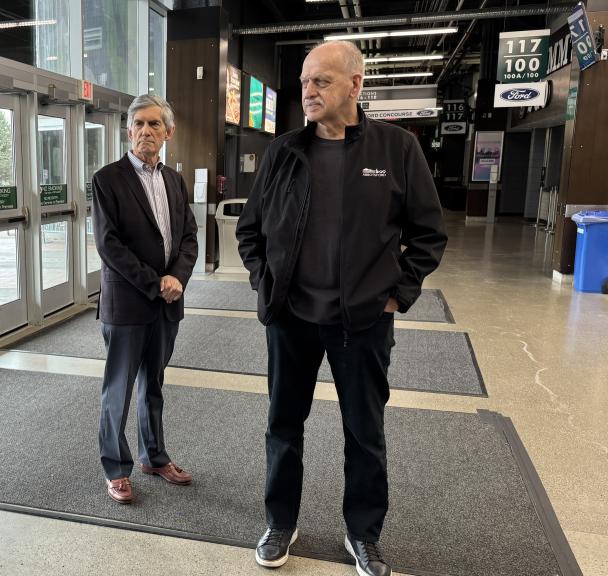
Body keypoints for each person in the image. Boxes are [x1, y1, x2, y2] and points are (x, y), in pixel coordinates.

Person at [236, 41, 447, 576]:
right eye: (305, 82)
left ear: (355, 85)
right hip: (291, 320)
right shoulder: (284, 151)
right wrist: (268, 286)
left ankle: (363, 534)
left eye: (321, 82)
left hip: (363, 323)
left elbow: (428, 232)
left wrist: (399, 291)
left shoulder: (396, 148)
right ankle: (281, 520)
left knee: (364, 432)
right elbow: (250, 231)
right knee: (284, 425)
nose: (308, 91)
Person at [90, 94, 198, 505]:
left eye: (155, 125)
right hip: (128, 304)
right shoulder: (107, 179)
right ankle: (116, 468)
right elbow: (109, 245)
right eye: (139, 124)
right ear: (128, 130)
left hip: (167, 304)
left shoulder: (174, 180)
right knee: (117, 389)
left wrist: (178, 278)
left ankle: (154, 456)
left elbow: (188, 236)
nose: (146, 132)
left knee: (153, 384)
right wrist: (156, 283)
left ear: (168, 133)